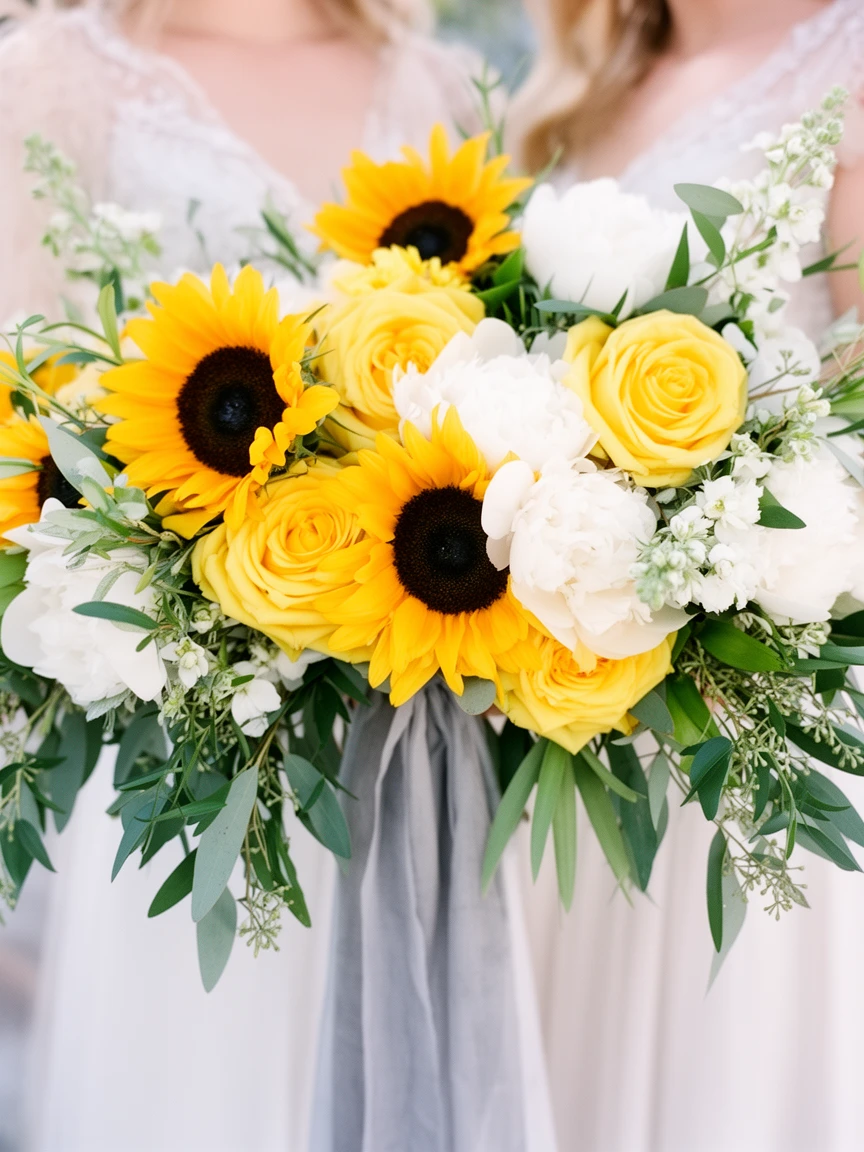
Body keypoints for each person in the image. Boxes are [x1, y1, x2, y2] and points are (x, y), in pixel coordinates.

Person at [0, 4, 540, 1151]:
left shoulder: (439, 85)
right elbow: (24, 433)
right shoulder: (52, 80)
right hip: (189, 766)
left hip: (419, 733)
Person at [513, 2, 864, 1150]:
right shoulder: (590, 73)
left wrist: (695, 532)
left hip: (747, 704)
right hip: (567, 705)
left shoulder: (848, 59)